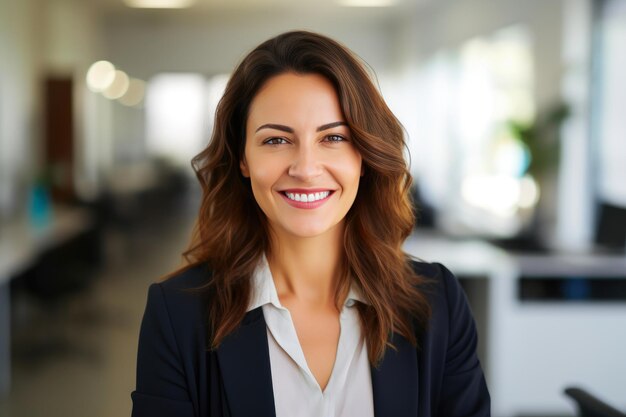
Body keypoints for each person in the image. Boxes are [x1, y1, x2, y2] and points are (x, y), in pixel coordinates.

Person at [131, 30, 490, 417]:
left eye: (333, 137)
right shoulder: (178, 314)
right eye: (275, 141)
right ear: (242, 159)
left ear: (364, 157)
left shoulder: (437, 303)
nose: (305, 168)